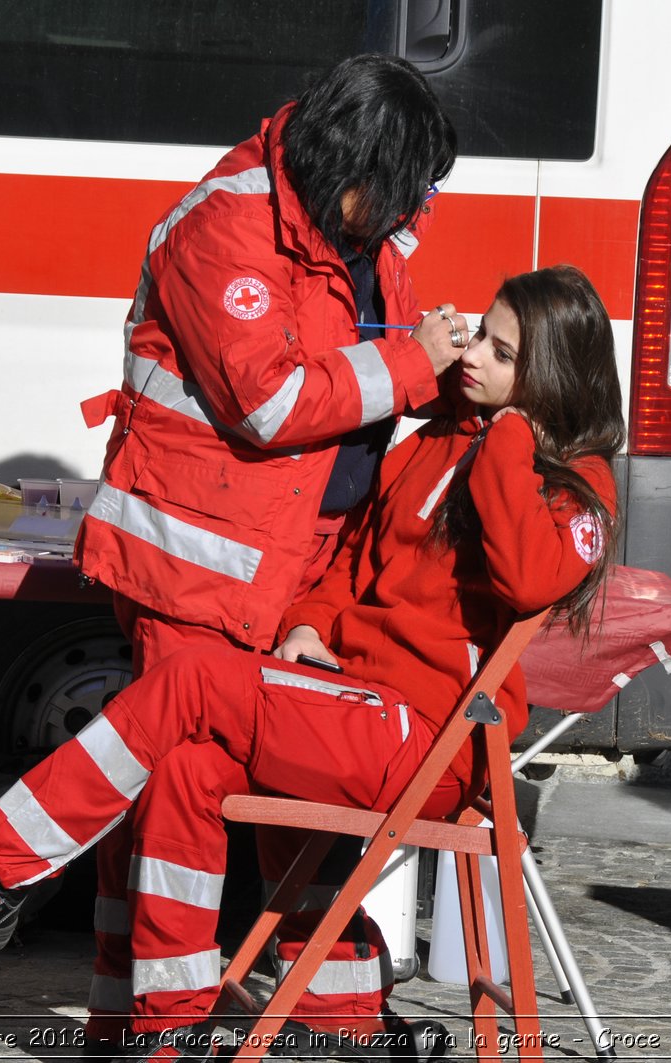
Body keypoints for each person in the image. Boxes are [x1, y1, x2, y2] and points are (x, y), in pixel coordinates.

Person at [0, 264, 625, 1055]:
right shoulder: (439, 440)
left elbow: (530, 574)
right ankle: (175, 1028)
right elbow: (352, 560)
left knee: (192, 679)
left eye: (503, 355)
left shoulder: (578, 483)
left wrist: (507, 438)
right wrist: (309, 622)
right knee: (186, 766)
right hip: (352, 702)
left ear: (549, 378)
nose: (472, 359)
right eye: (481, 333)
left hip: (432, 737)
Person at [69, 52, 462, 1048]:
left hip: (297, 566)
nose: (409, 216)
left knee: (294, 793)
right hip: (198, 570)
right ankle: (151, 1025)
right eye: (401, 193)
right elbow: (273, 402)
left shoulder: (358, 223)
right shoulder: (227, 225)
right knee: (175, 795)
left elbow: (363, 365)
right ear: (349, 174)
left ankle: (332, 1027)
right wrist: (419, 364)